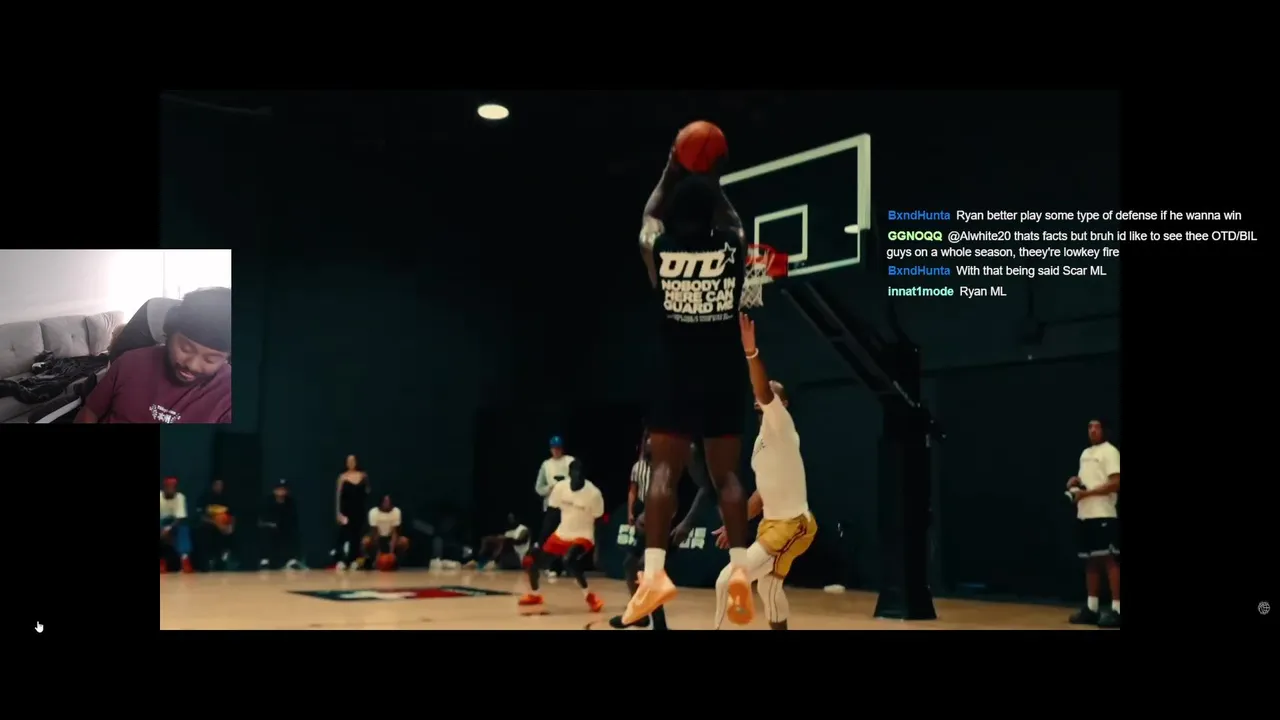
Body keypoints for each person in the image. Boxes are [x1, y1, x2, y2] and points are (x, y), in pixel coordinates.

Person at [622, 166, 753, 627]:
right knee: (727, 477)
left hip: (674, 373)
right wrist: (714, 183)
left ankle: (655, 574)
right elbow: (735, 221)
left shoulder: (660, 248)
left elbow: (648, 216)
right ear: (711, 213)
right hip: (723, 374)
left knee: (664, 472)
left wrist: (671, 167)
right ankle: (740, 569)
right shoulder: (732, 245)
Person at [707, 313, 816, 629]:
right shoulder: (760, 441)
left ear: (784, 403)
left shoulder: (781, 425)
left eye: (770, 391)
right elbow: (762, 493)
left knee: (726, 581)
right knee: (768, 588)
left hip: (793, 524)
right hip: (771, 523)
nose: (762, 392)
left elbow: (765, 392)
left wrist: (751, 353)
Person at [76, 288, 232, 424]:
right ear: (170, 332)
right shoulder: (130, 363)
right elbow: (91, 411)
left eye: (210, 359)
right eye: (185, 348)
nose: (192, 364)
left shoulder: (230, 395)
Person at [609, 433, 714, 629]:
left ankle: (659, 624)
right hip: (651, 514)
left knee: (646, 567)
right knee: (630, 565)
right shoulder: (648, 446)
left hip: (674, 518)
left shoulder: (687, 449)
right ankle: (640, 615)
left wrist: (687, 522)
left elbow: (707, 487)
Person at [518, 459, 605, 613]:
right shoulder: (560, 488)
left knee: (569, 559)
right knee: (531, 559)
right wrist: (540, 542)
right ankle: (535, 595)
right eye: (575, 474)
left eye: (580, 474)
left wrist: (597, 548)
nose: (577, 477)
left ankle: (589, 596)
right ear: (569, 474)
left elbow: (598, 521)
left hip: (583, 536)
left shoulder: (594, 494)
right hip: (562, 534)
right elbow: (551, 516)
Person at [1067, 419, 1121, 628]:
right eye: (1089, 427)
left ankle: (1117, 609)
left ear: (1104, 430)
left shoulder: (1110, 451)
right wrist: (1075, 483)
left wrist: (1087, 493)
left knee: (1109, 561)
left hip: (1103, 514)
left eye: (1096, 427)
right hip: (1085, 515)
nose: (1092, 430)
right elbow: (1087, 483)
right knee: (1090, 561)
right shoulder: (1085, 453)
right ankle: (1092, 608)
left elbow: (1115, 482)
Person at [533, 436, 574, 574]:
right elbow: (539, 487)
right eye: (554, 448)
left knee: (567, 537)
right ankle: (550, 565)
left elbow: (577, 481)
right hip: (552, 506)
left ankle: (564, 566)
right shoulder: (546, 465)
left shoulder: (570, 461)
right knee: (549, 535)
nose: (556, 451)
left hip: (568, 506)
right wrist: (549, 489)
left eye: (558, 448)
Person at [331, 454, 370, 570]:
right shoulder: (342, 477)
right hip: (346, 511)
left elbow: (367, 491)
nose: (351, 463)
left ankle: (354, 559)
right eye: (349, 461)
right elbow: (338, 497)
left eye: (353, 460)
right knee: (345, 535)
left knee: (356, 536)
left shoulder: (363, 475)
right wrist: (338, 513)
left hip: (359, 510)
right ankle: (342, 560)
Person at [259, 479, 304, 570]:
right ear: (274, 490)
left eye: (283, 489)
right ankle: (265, 560)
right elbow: (262, 519)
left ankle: (291, 560)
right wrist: (270, 524)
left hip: (284, 529)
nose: (281, 491)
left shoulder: (291, 502)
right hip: (269, 528)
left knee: (293, 533)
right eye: (279, 489)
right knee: (266, 533)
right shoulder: (267, 501)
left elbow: (292, 520)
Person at [195, 478, 236, 571]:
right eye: (217, 485)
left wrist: (231, 527)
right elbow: (201, 517)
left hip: (224, 525)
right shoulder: (204, 497)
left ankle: (226, 560)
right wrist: (217, 524)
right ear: (212, 486)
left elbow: (233, 515)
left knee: (234, 534)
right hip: (209, 525)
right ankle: (206, 562)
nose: (219, 487)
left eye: (221, 485)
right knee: (204, 533)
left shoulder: (227, 498)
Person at [362, 495, 409, 569]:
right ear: (381, 503)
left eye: (388, 501)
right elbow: (374, 532)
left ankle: (396, 563)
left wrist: (391, 552)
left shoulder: (396, 511)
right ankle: (371, 562)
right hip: (377, 536)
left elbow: (395, 532)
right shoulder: (373, 512)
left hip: (390, 537)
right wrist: (378, 553)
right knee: (365, 541)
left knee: (404, 541)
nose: (387, 504)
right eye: (385, 502)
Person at [159, 477, 194, 573]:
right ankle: (161, 561)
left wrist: (168, 529)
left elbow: (180, 518)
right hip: (161, 522)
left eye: (173, 487)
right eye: (169, 487)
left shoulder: (180, 497)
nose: (171, 489)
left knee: (184, 529)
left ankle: (185, 559)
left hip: (174, 523)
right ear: (164, 488)